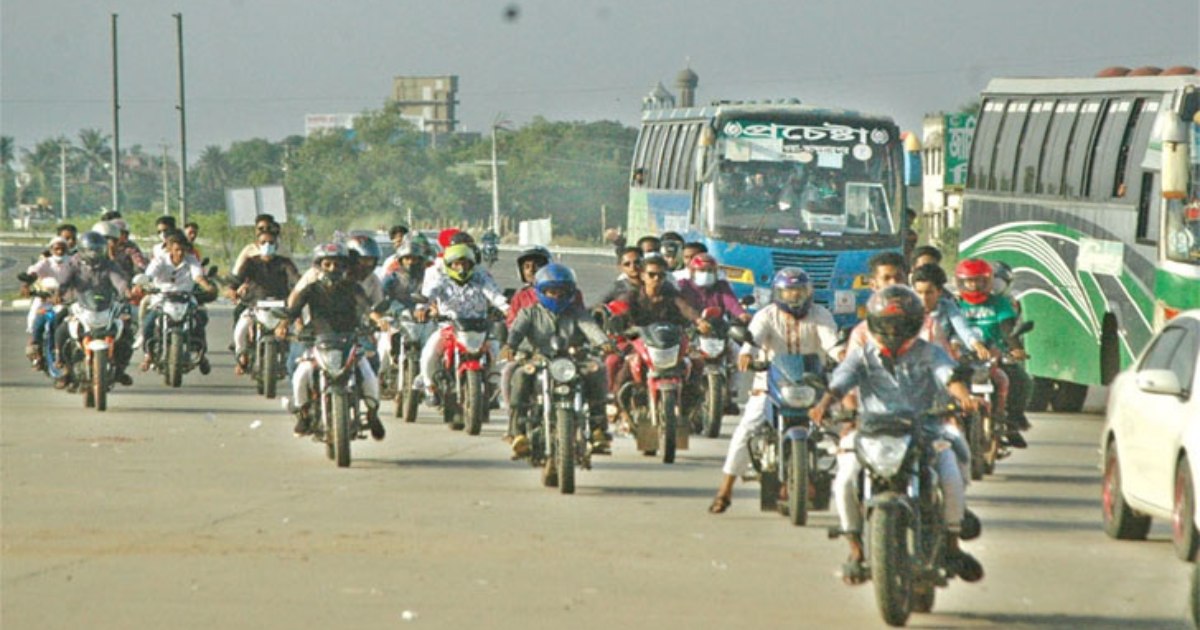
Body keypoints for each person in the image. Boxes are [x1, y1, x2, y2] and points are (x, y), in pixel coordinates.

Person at [809, 285, 984, 586]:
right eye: (887, 324)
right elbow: (840, 381)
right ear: (875, 324)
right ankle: (855, 549)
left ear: (913, 324)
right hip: (870, 431)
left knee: (951, 473)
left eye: (900, 325)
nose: (893, 331)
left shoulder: (930, 352)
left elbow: (949, 376)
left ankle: (952, 545)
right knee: (845, 478)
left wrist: (965, 397)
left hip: (924, 430)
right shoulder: (862, 355)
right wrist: (823, 404)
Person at [708, 267, 838, 513]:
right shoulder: (766, 315)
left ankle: (858, 493)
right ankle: (725, 490)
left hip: (813, 385)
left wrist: (842, 354)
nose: (795, 297)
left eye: (799, 292)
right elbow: (753, 338)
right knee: (747, 429)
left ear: (809, 293)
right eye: (789, 292)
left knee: (842, 432)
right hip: (770, 384)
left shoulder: (820, 314)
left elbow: (831, 341)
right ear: (778, 294)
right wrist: (747, 354)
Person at [501, 264, 613, 456]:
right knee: (520, 375)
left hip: (571, 360)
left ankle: (598, 429)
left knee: (597, 369)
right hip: (538, 359)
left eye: (562, 292)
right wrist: (511, 345)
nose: (556, 296)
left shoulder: (577, 313)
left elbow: (590, 328)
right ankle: (517, 432)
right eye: (551, 291)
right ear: (541, 291)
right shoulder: (529, 313)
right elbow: (517, 331)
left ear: (570, 292)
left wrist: (604, 342)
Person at [278, 242, 386, 440]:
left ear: (345, 266)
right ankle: (303, 415)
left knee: (368, 376)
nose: (332, 268)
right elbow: (294, 310)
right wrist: (283, 324)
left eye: (337, 264)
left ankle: (372, 414)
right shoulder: (311, 289)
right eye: (327, 264)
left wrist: (377, 319)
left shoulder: (353, 288)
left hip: (349, 341)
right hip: (318, 342)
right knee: (301, 375)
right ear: (319, 265)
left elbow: (366, 307)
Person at [417, 243, 508, 406]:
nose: (461, 268)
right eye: (456, 264)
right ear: (449, 265)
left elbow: (494, 295)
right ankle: (430, 388)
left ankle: (493, 387)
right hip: (449, 327)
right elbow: (429, 295)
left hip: (480, 329)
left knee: (496, 352)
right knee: (428, 354)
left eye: (465, 264)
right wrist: (421, 308)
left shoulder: (480, 279)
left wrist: (507, 309)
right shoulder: (441, 280)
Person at [955, 258, 1031, 447]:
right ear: (960, 282)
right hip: (961, 357)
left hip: (994, 355)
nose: (974, 286)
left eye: (979, 281)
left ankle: (1011, 423)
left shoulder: (1000, 303)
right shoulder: (954, 304)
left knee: (1021, 380)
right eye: (969, 281)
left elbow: (1007, 328)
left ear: (988, 281)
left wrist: (1015, 348)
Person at [55, 231, 134, 387]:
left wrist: (125, 291)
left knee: (126, 332)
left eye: (98, 250)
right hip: (80, 305)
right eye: (91, 250)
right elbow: (64, 281)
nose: (94, 254)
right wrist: (59, 293)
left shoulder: (109, 265)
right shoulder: (74, 264)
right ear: (82, 250)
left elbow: (118, 280)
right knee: (61, 329)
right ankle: (64, 368)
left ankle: (120, 370)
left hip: (106, 306)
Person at [138, 231, 216, 374]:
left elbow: (198, 277)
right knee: (148, 323)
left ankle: (201, 354)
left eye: (182, 250)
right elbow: (149, 275)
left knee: (200, 320)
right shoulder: (160, 261)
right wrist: (141, 284)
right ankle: (148, 355)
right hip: (162, 299)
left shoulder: (191, 260)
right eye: (176, 250)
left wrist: (208, 287)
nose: (180, 253)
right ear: (169, 248)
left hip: (185, 298)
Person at [230, 229, 300, 374]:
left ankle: (291, 361)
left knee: (298, 333)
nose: (267, 245)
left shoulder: (284, 263)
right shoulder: (250, 262)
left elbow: (295, 279)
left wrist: (301, 288)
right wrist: (232, 290)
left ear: (276, 244)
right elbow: (237, 279)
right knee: (240, 330)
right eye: (263, 242)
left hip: (281, 308)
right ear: (257, 244)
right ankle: (242, 358)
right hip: (254, 306)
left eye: (271, 242)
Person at [910, 263, 989, 360]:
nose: (924, 298)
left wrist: (977, 345)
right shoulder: (906, 309)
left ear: (939, 292)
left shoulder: (948, 306)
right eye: (919, 293)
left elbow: (962, 328)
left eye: (929, 292)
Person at [23, 236, 75, 369]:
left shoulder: (72, 262)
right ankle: (36, 353)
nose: (59, 252)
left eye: (62, 249)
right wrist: (27, 284)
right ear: (51, 250)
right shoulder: (46, 263)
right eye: (56, 249)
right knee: (35, 322)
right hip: (45, 300)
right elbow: (34, 271)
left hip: (68, 301)